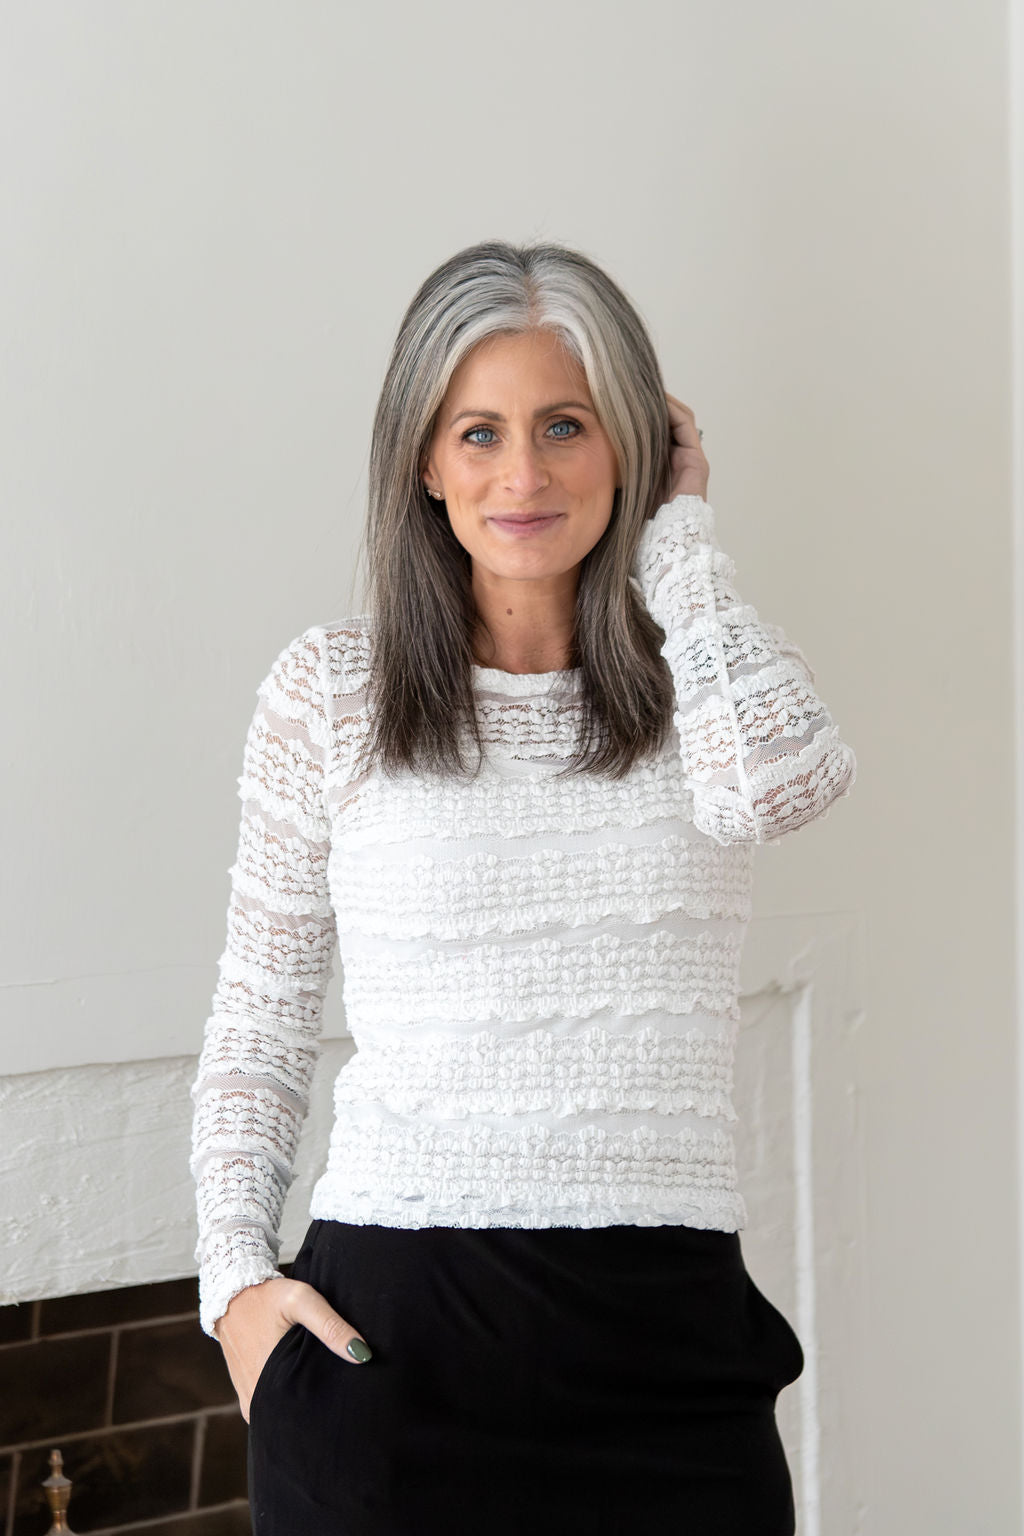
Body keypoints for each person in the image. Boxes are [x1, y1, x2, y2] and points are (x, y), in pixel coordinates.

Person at [189, 239, 857, 1535]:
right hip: (391, 1366)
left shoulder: (707, 691)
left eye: (566, 425)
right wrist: (233, 1292)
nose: (524, 475)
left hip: (670, 1361)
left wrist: (684, 536)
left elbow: (786, 788)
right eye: (479, 433)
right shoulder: (332, 694)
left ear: (632, 446)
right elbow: (258, 1024)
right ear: (424, 464)